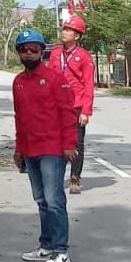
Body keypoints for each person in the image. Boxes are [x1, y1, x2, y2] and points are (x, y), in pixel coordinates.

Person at [13, 28, 77, 262]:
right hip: (30, 150)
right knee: (40, 200)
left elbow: (67, 114)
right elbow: (20, 118)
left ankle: (62, 252)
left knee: (54, 200)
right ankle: (47, 245)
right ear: (19, 53)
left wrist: (70, 144)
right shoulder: (18, 82)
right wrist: (18, 149)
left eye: (34, 49)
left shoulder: (54, 79)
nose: (29, 53)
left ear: (41, 52)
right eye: (24, 49)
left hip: (52, 149)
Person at [47, 14, 94, 195]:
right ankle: (57, 176)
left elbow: (89, 85)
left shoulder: (84, 57)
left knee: (76, 143)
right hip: (56, 106)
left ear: (77, 36)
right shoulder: (55, 54)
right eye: (64, 28)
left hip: (76, 106)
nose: (64, 32)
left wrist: (86, 111)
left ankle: (75, 177)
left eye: (69, 30)